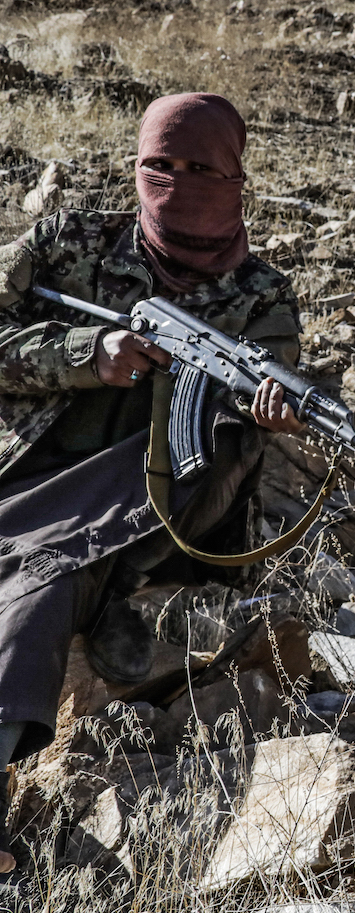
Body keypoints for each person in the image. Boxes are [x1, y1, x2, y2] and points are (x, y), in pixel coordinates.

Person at [0, 93, 303, 813]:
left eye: (199, 166)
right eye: (158, 164)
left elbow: (262, 405)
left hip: (159, 521)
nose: (175, 180)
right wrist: (87, 353)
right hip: (34, 486)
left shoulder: (262, 298)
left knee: (223, 432)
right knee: (40, 588)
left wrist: (272, 415)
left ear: (234, 178)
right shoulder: (67, 243)